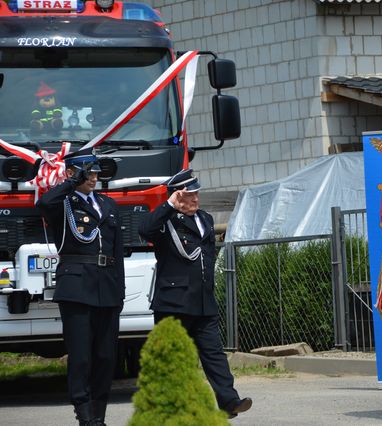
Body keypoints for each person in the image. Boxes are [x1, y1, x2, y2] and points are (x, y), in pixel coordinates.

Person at [138, 169, 252, 419]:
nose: (195, 199)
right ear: (177, 196)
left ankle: (229, 400)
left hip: (202, 301)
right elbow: (144, 230)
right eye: (189, 195)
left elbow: (207, 256)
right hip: (174, 302)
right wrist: (169, 205)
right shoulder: (165, 221)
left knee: (214, 353)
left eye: (196, 193)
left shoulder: (205, 219)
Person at [37, 148, 124, 426]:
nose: (94, 177)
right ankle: (85, 415)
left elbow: (117, 250)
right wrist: (72, 182)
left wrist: (119, 292)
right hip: (76, 286)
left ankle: (99, 415)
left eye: (96, 172)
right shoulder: (63, 203)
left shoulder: (108, 205)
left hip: (106, 286)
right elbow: (44, 202)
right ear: (72, 173)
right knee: (81, 356)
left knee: (105, 356)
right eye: (88, 171)